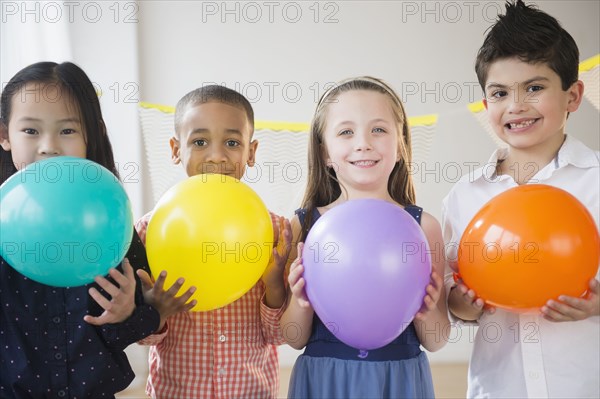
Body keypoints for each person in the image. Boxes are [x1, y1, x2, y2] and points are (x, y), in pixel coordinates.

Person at [442, 1, 600, 397]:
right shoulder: (466, 195)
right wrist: (465, 304)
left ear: (573, 96)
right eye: (499, 93)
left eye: (534, 87)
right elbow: (450, 297)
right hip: (498, 389)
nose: (516, 105)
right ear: (485, 105)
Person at [0, 61, 164, 398]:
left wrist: (128, 312)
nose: (49, 146)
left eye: (67, 130)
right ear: (5, 136)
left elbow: (128, 331)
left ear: (93, 134)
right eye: (31, 131)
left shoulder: (110, 222)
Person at [280, 76, 449, 398]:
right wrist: (300, 302)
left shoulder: (424, 227)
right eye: (346, 132)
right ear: (324, 151)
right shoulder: (303, 227)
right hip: (324, 380)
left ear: (400, 145)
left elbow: (437, 340)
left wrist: (427, 312)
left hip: (398, 381)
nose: (363, 143)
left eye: (379, 129)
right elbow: (294, 338)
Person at [134, 84, 292, 399]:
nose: (217, 156)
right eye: (200, 141)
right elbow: (141, 338)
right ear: (176, 149)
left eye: (232, 142)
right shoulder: (149, 232)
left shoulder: (276, 231)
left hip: (251, 392)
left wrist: (275, 287)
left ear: (251, 151)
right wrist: (156, 312)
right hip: (175, 393)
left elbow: (281, 336)